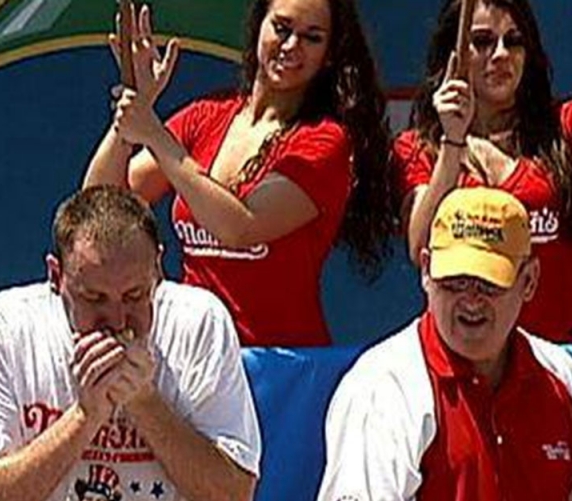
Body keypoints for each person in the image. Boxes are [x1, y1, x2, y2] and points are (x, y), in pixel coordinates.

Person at [0, 185, 261, 501]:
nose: (118, 321)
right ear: (57, 277)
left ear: (158, 267)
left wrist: (144, 402)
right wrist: (85, 416)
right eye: (95, 299)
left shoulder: (198, 324)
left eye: (135, 295)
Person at [83, 0, 397, 347]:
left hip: (279, 368)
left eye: (312, 37)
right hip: (194, 356)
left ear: (330, 54)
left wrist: (155, 135)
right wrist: (130, 115)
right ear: (258, 26)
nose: (291, 46)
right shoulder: (204, 117)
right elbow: (98, 205)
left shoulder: (324, 140)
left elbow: (241, 226)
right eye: (281, 28)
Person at [308, 186, 572, 501]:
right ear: (425, 271)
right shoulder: (384, 385)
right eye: (454, 281)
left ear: (530, 281)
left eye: (488, 283)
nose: (470, 300)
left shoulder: (562, 380)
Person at [394, 0, 572, 342]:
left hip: (551, 362)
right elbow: (421, 248)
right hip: (460, 361)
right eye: (482, 42)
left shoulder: (565, 131)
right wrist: (453, 140)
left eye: (514, 41)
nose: (501, 54)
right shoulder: (419, 148)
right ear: (454, 55)